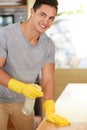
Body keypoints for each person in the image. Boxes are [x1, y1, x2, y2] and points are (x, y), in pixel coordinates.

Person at [0, 0, 71, 130]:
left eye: (51, 18)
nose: (46, 22)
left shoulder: (48, 45)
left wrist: (50, 109)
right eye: (42, 14)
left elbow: (48, 78)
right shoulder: (5, 35)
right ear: (32, 12)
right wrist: (21, 87)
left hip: (24, 101)